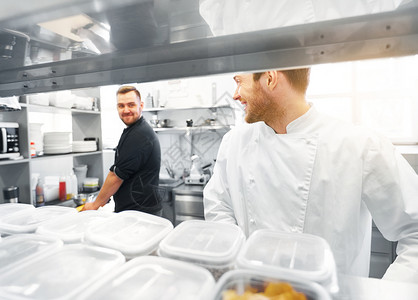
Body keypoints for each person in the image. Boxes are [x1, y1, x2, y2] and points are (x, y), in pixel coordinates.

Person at [203, 68, 418, 282]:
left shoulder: (358, 145)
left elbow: (414, 232)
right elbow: (219, 206)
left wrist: (388, 293)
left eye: (239, 82)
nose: (235, 94)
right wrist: (240, 260)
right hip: (254, 293)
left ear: (270, 78)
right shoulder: (234, 142)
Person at [82, 86, 162, 215]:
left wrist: (95, 205)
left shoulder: (139, 135)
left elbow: (116, 176)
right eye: (121, 106)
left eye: (131, 105)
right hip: (138, 210)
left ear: (141, 105)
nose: (126, 110)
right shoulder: (134, 130)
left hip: (139, 213)